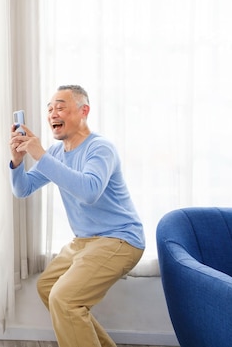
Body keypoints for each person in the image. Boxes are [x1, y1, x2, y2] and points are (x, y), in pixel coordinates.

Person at [8, 85, 144, 347]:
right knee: (48, 288)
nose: (52, 114)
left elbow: (89, 190)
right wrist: (17, 161)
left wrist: (39, 154)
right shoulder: (57, 153)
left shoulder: (100, 148)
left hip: (120, 240)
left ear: (84, 111)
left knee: (64, 299)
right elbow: (22, 189)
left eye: (60, 107)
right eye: (49, 109)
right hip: (84, 242)